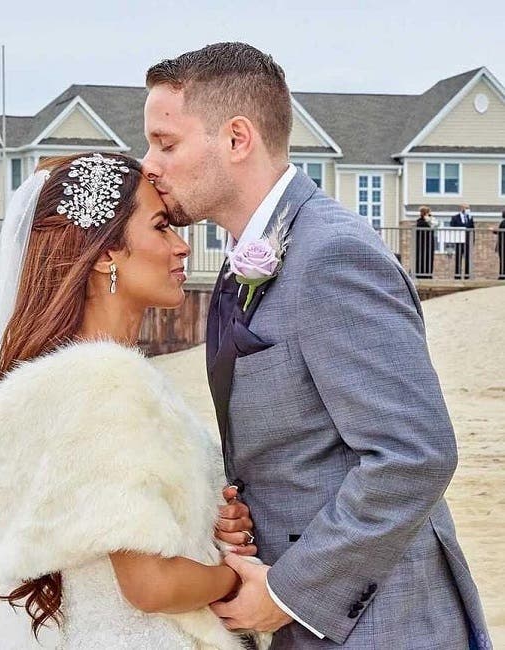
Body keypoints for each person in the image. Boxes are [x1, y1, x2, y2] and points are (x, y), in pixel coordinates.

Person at [142, 42, 492, 649]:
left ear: (237, 138)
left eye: (165, 143)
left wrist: (287, 593)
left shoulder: (333, 255)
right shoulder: (244, 261)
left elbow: (414, 454)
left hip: (384, 626)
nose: (149, 164)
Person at [0, 153, 267, 650]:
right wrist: (238, 577)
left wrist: (211, 527)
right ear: (106, 253)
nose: (182, 246)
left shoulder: (69, 381)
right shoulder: (104, 383)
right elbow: (151, 586)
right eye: (161, 227)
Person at [450, 203, 474, 279]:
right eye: (466, 208)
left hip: (467, 241)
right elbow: (452, 228)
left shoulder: (470, 217)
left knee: (467, 259)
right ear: (461, 208)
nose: (467, 209)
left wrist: (472, 240)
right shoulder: (455, 217)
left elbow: (472, 229)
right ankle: (457, 275)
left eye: (468, 208)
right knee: (458, 258)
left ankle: (467, 276)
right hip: (459, 241)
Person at [415, 205, 436, 278]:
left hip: (429, 243)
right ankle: (420, 274)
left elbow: (434, 225)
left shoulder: (431, 220)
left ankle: (429, 274)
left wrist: (430, 219)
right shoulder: (420, 221)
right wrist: (427, 221)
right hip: (422, 243)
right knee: (421, 258)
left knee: (429, 258)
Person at [493, 209, 505, 280]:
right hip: (502, 244)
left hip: (503, 244)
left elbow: (500, 231)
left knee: (502, 260)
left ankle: (502, 275)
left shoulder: (503, 223)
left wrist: (493, 230)